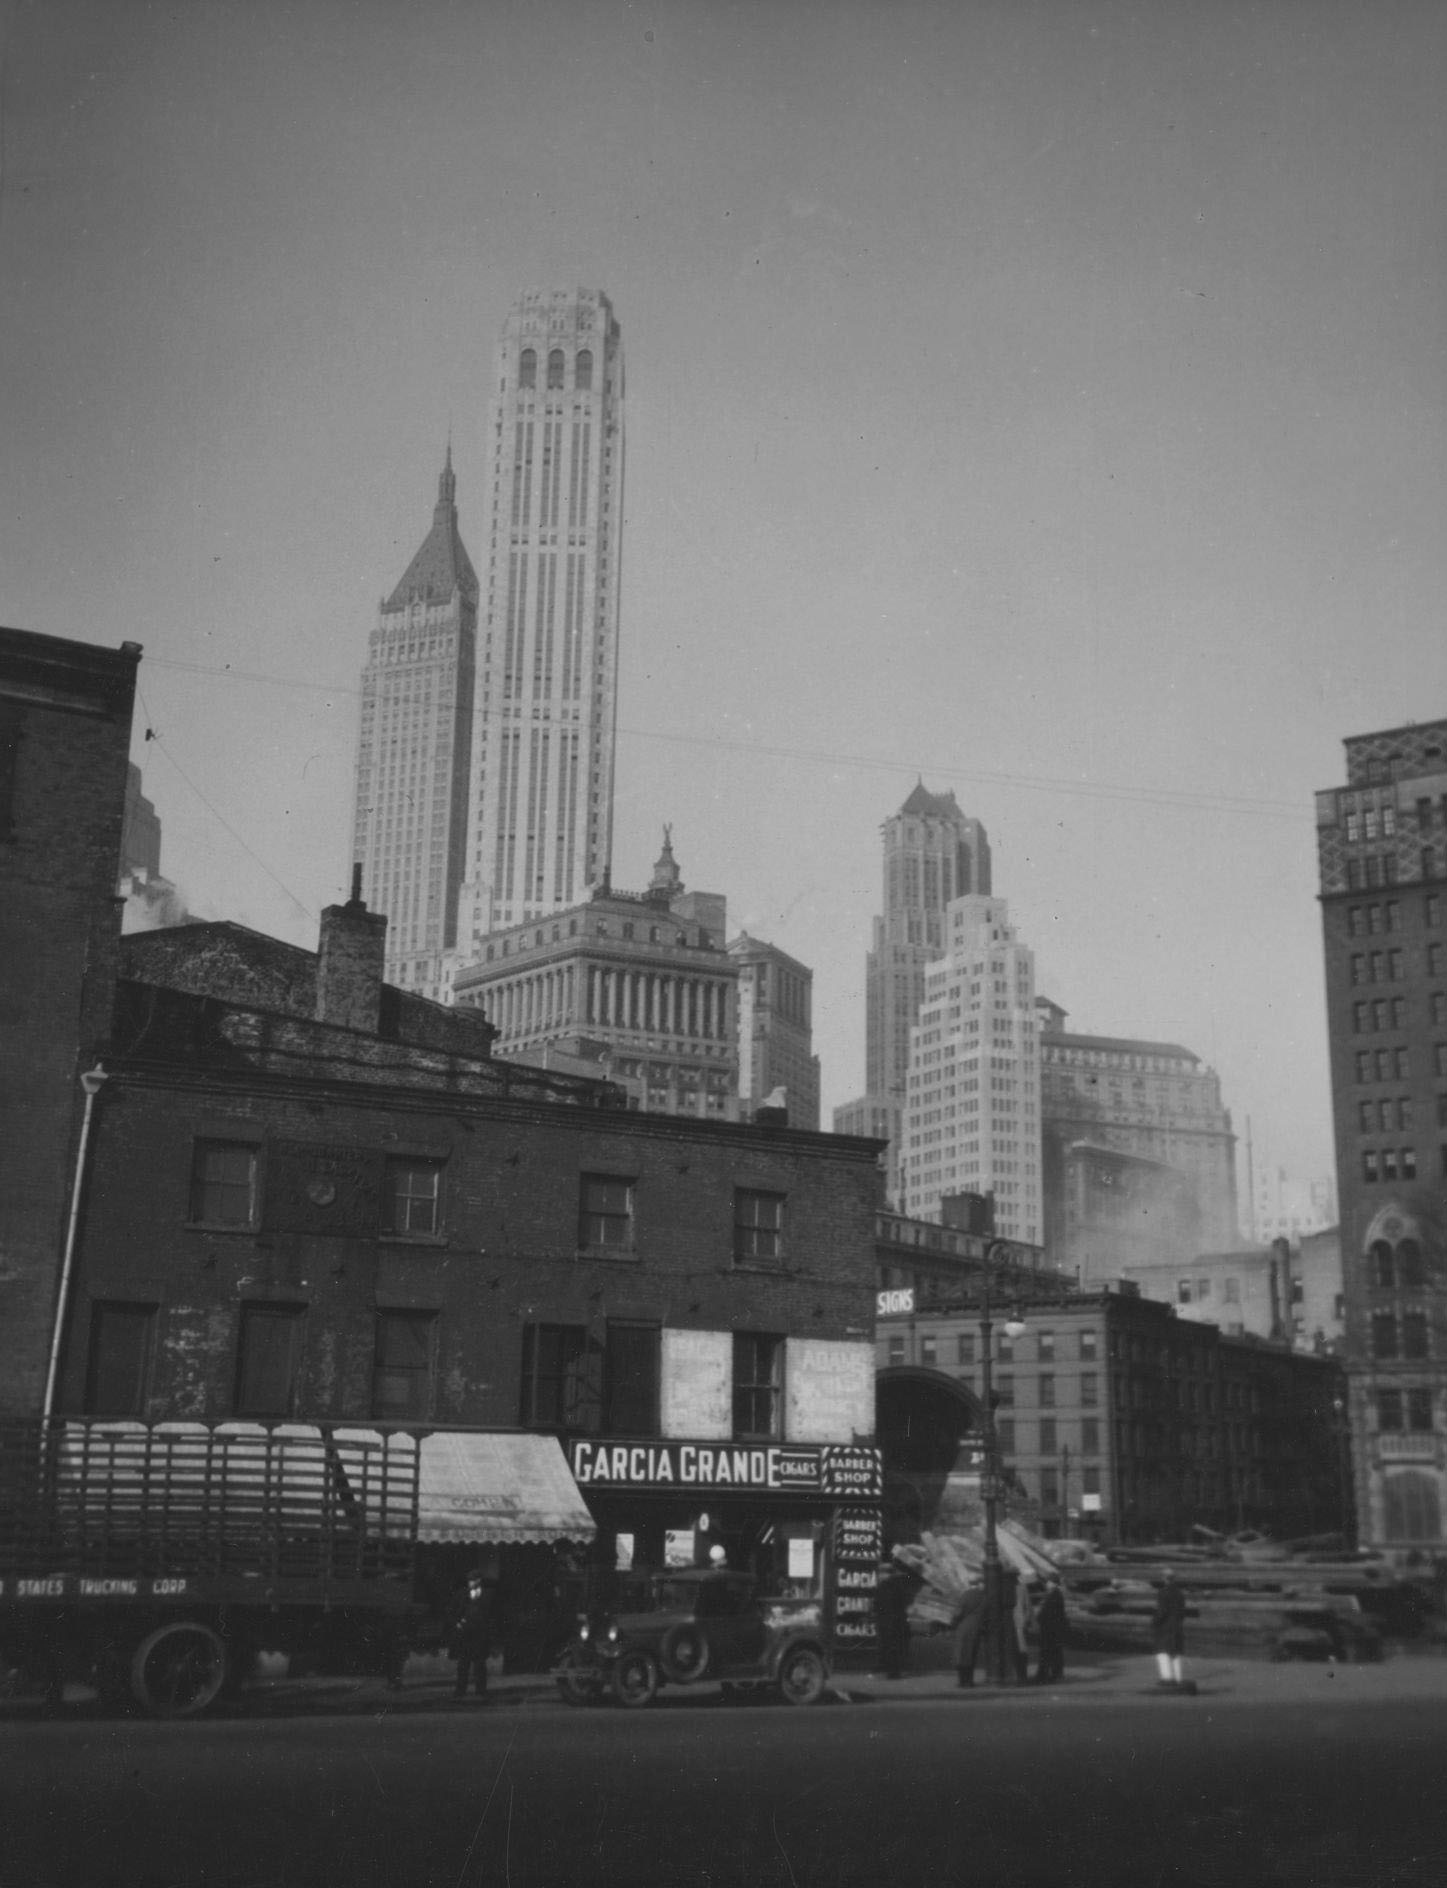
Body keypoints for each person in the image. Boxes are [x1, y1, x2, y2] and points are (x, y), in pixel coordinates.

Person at [450, 1569, 495, 1701]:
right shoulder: (461, 1594)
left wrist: (489, 1632)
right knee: (463, 1664)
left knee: (480, 1664)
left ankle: (481, 1691)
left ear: (479, 1581)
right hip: (465, 1634)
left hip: (480, 1634)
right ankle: (460, 1691)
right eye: (469, 1580)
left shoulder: (488, 1595)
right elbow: (452, 1611)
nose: (470, 1583)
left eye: (473, 1580)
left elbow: (492, 1614)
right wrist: (457, 1624)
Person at [873, 1558, 912, 1680]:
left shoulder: (881, 1587)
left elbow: (876, 1605)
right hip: (898, 1621)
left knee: (886, 1646)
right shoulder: (899, 1587)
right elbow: (905, 1603)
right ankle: (894, 1671)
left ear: (884, 1574)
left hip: (884, 1622)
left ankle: (887, 1670)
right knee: (895, 1647)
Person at [1151, 1568, 1188, 1689]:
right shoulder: (1180, 1593)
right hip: (1177, 1625)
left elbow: (1162, 1611)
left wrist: (1154, 1622)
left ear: (1164, 1578)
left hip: (1165, 1626)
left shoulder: (1163, 1592)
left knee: (1163, 1652)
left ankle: (1167, 1678)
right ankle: (1179, 1678)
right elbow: (1182, 1612)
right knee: (1176, 1652)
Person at [951, 1580, 987, 1687]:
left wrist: (953, 1623)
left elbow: (958, 1613)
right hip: (976, 1627)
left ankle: (962, 1681)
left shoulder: (966, 1595)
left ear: (970, 1584)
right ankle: (970, 1680)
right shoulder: (983, 1595)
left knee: (962, 1654)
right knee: (972, 1654)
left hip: (964, 1626)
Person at [1034, 1576, 1067, 1684]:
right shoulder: (1054, 1594)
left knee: (1048, 1652)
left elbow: (1049, 1612)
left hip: (1050, 1629)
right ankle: (1053, 1674)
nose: (1047, 1584)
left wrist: (1039, 1617)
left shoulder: (1055, 1594)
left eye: (1048, 1581)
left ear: (1053, 1583)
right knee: (1052, 1653)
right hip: (1052, 1628)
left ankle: (1046, 1675)